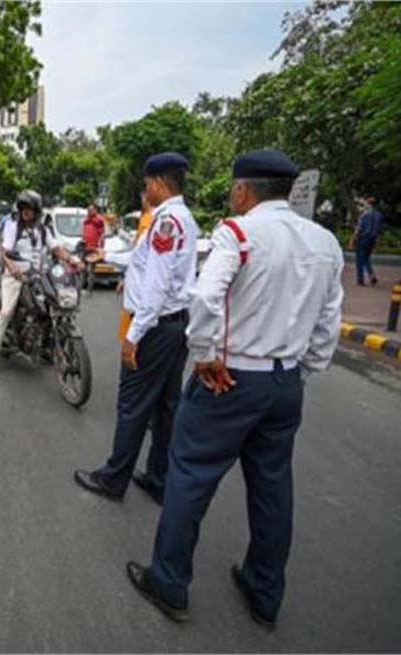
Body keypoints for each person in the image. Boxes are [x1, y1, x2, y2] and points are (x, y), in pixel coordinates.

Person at [125, 149, 343, 628]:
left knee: (190, 474)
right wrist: (301, 370)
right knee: (272, 487)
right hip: (285, 383)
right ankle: (264, 592)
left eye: (232, 187)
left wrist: (204, 355)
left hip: (229, 379)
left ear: (243, 190)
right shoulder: (325, 242)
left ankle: (169, 582)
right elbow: (328, 322)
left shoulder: (238, 233)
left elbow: (206, 297)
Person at [74, 152, 199, 506]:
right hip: (176, 327)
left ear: (158, 183)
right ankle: (159, 479)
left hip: (155, 329)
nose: (146, 191)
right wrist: (105, 257)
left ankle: (113, 479)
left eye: (147, 184)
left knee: (133, 404)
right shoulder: (183, 218)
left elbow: (156, 286)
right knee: (165, 407)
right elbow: (144, 262)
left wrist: (133, 336)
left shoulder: (165, 223)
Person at [0, 189, 79, 373]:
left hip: (37, 276)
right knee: (6, 311)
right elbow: (5, 252)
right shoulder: (13, 227)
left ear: (37, 211)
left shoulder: (43, 230)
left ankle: (46, 346)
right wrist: (12, 268)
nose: (26, 212)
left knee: (52, 305)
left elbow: (56, 249)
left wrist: (71, 259)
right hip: (15, 276)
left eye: (29, 208)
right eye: (23, 208)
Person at [349, 196, 384, 286]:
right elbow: (380, 231)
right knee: (366, 258)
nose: (364, 205)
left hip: (362, 239)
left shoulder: (364, 215)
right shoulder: (379, 216)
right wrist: (377, 243)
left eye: (365, 203)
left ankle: (360, 280)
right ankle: (371, 274)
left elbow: (358, 229)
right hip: (372, 240)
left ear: (369, 204)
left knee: (359, 260)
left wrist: (352, 240)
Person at [82, 201, 107, 293]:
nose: (89, 211)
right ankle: (82, 288)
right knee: (83, 268)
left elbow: (102, 235)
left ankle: (89, 290)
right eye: (88, 209)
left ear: (96, 210)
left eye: (91, 209)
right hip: (85, 247)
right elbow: (84, 232)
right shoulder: (86, 219)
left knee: (91, 270)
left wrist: (101, 248)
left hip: (94, 248)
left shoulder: (99, 220)